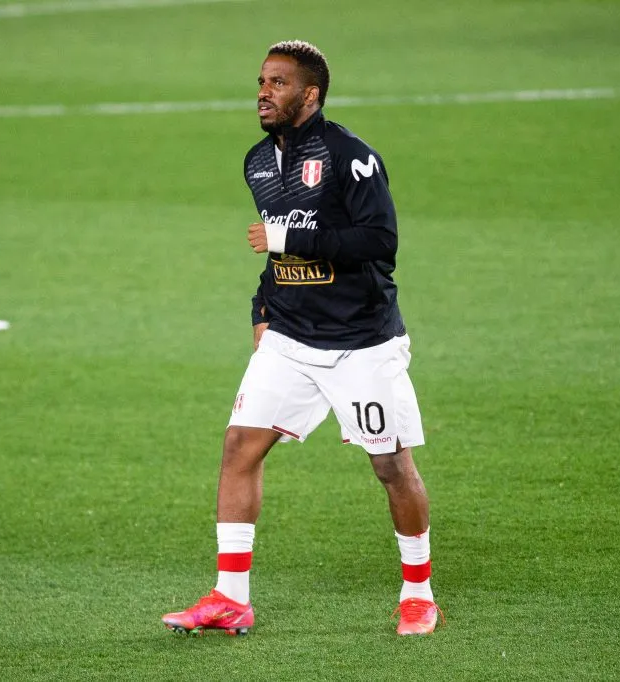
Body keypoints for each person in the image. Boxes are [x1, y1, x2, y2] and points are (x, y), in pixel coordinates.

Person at [162, 40, 439, 637]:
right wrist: (261, 306)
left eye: (279, 84)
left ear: (310, 94)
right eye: (261, 81)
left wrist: (287, 244)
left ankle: (418, 592)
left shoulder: (351, 157)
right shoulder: (258, 162)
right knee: (239, 447)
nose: (264, 92)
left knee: (390, 464)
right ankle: (230, 597)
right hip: (289, 337)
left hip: (360, 341)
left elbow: (378, 242)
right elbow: (275, 253)